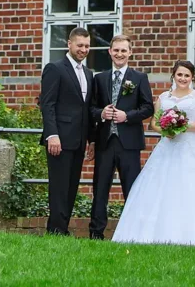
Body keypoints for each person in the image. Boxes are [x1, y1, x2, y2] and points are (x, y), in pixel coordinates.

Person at [109, 60, 195, 248]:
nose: (183, 78)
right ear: (174, 76)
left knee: (192, 188)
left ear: (192, 77)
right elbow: (154, 123)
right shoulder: (164, 97)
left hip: (191, 147)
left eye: (187, 75)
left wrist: (183, 126)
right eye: (179, 75)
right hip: (167, 146)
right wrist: (166, 129)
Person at [88, 33, 154, 239]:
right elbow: (90, 108)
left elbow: (148, 107)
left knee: (132, 189)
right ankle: (96, 233)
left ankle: (132, 233)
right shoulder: (99, 78)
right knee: (100, 189)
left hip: (129, 143)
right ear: (109, 52)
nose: (119, 54)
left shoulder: (139, 78)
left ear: (130, 53)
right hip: (105, 142)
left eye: (123, 50)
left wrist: (127, 116)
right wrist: (101, 113)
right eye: (116, 50)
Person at [38, 26, 93, 235]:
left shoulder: (88, 73)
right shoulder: (55, 68)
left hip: (79, 140)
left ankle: (63, 228)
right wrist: (52, 135)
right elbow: (47, 104)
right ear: (69, 44)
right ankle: (55, 230)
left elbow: (86, 109)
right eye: (80, 45)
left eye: (87, 46)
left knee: (71, 187)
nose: (83, 50)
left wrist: (91, 139)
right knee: (59, 187)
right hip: (59, 140)